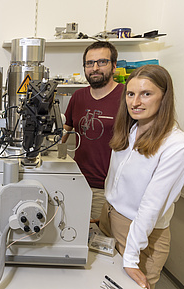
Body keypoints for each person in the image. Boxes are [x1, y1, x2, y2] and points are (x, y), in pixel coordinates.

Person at [99, 65, 184, 289]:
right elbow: (116, 180)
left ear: (164, 97)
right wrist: (107, 213)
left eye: (146, 94)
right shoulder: (129, 130)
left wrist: (130, 258)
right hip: (110, 218)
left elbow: (152, 205)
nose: (135, 102)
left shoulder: (177, 144)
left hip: (141, 236)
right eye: (130, 94)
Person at [63, 41, 124, 221]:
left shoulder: (126, 96)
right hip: (78, 182)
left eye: (101, 62)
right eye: (90, 63)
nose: (95, 68)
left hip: (108, 188)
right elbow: (63, 133)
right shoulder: (78, 97)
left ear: (114, 66)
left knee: (100, 242)